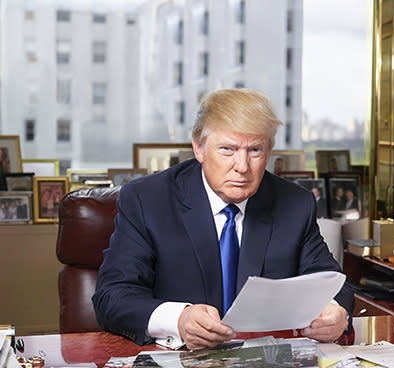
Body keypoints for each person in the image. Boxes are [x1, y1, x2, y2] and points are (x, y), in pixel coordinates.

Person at [93, 88, 353, 349]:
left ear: (270, 150)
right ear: (199, 148)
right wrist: (179, 319)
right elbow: (112, 296)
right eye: (227, 149)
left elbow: (330, 280)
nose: (242, 166)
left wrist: (335, 312)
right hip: (182, 367)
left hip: (267, 366)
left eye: (255, 150)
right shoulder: (147, 199)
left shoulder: (295, 203)